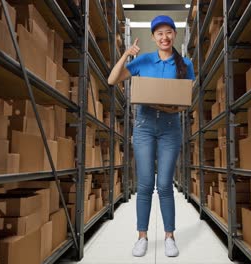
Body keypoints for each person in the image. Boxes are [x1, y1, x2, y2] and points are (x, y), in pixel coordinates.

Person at [108, 15, 195, 257]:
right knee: (145, 184)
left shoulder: (185, 64)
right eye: (159, 33)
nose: (164, 37)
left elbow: (185, 98)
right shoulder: (143, 61)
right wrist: (126, 54)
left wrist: (172, 107)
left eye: (169, 32)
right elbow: (112, 79)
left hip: (170, 127)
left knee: (165, 185)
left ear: (174, 35)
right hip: (145, 126)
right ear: (153, 37)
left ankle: (169, 236)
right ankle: (142, 236)